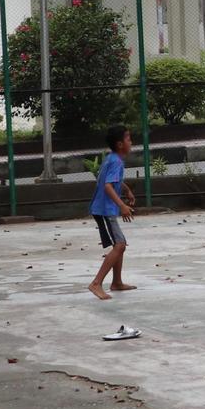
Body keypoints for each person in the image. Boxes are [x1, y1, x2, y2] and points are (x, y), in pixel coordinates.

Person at [88, 125, 137, 301]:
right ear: (119, 144)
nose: (131, 142)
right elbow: (108, 185)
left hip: (103, 208)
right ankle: (96, 283)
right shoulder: (116, 161)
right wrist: (122, 205)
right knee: (120, 245)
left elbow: (110, 180)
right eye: (128, 139)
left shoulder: (111, 158)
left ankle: (116, 282)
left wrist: (126, 189)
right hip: (105, 210)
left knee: (120, 244)